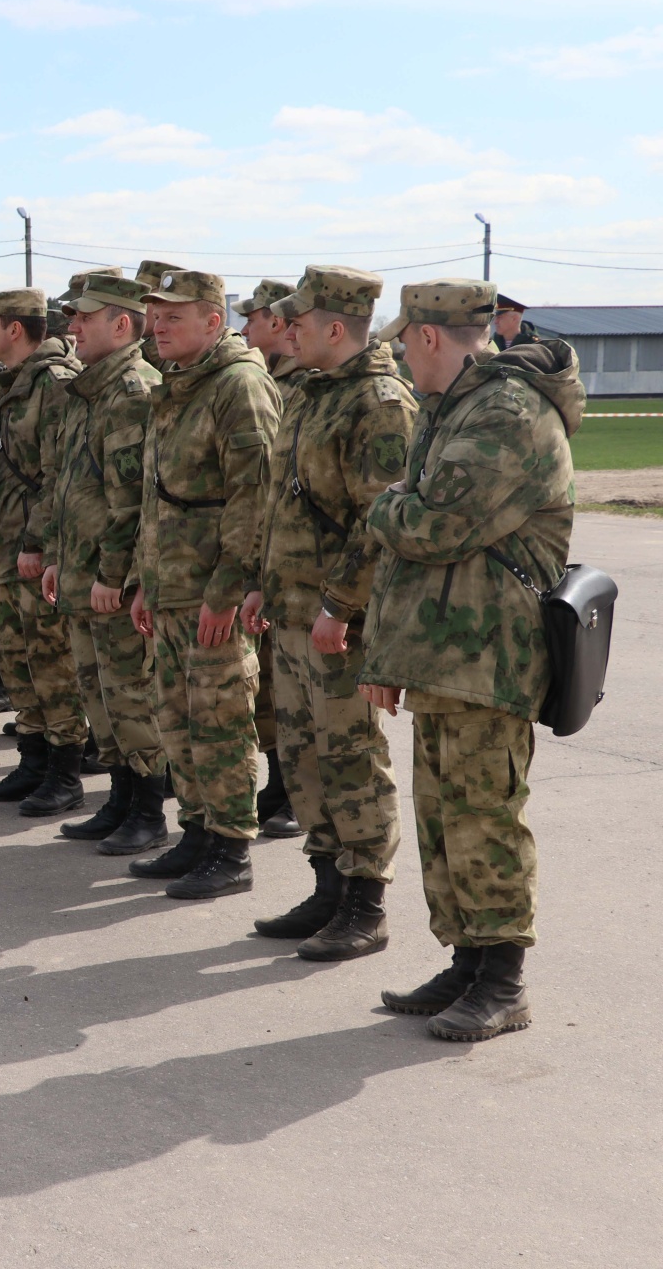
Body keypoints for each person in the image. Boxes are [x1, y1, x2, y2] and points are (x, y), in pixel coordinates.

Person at [361, 278, 582, 1042]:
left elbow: (430, 527)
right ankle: (466, 960)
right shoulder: (452, 408)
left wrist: (387, 504)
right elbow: (417, 541)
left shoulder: (505, 413)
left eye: (402, 343)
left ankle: (503, 980)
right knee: (445, 817)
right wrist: (385, 653)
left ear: (428, 338)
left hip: (491, 655)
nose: (397, 356)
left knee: (485, 818)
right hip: (445, 650)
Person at [241, 266, 415, 962]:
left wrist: (341, 606)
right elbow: (285, 501)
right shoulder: (311, 391)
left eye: (301, 322)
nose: (289, 331)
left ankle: (365, 903)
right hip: (292, 610)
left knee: (350, 760)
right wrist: (263, 583)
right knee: (304, 758)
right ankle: (327, 888)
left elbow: (380, 522)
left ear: (335, 328)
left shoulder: (378, 402)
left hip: (338, 620)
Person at [130, 270, 280, 899]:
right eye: (154, 315)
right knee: (177, 721)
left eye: (173, 316)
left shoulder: (238, 385)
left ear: (214, 321)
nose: (158, 326)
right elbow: (157, 498)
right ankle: (196, 832)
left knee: (220, 722)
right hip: (169, 589)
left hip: (209, 595)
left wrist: (227, 589)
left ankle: (231, 847)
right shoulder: (177, 385)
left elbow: (255, 496)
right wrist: (143, 580)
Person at [40, 273, 170, 855]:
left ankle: (148, 808)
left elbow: (131, 502)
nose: (72, 328)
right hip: (80, 571)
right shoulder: (93, 390)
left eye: (83, 319)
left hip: (108, 581)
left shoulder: (134, 392)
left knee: (130, 696)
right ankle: (119, 797)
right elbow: (68, 486)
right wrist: (55, 557)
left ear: (121, 324)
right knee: (99, 695)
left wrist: (113, 575)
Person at [0, 288, 87, 813]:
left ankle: (65, 772)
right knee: (19, 662)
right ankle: (33, 760)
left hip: (31, 553)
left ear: (13, 329)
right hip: (4, 550)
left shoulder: (54, 383)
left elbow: (57, 473)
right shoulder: (9, 382)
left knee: (50, 661)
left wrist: (38, 542)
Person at [234, 278, 306, 840]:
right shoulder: (278, 377)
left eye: (255, 317)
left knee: (287, 692)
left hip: (299, 566)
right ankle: (278, 787)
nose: (248, 327)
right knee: (270, 689)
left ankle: (288, 793)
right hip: (271, 556)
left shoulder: (301, 381)